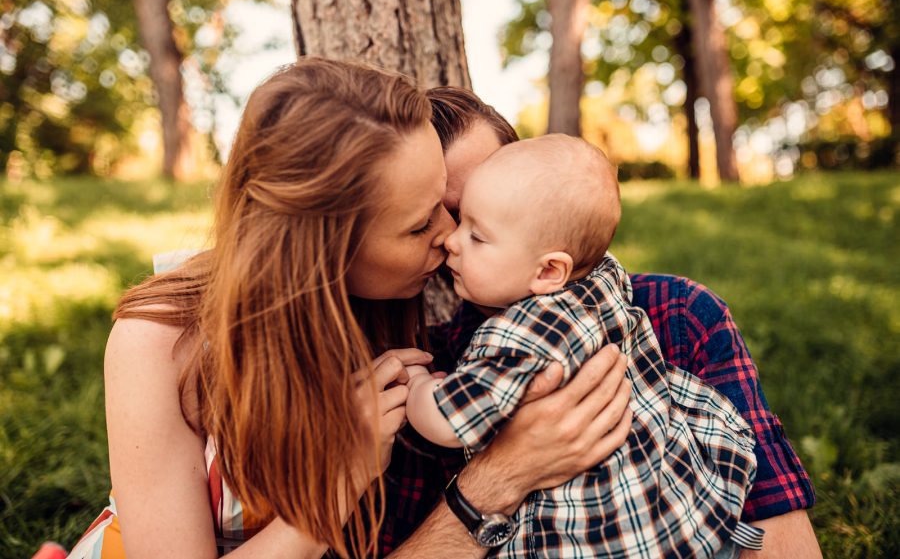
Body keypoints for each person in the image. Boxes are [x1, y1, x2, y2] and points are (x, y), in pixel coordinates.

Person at [64, 58, 635, 559]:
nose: (447, 237)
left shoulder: (395, 316)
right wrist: (344, 479)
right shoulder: (160, 342)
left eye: (444, 206)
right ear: (324, 252)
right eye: (420, 225)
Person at [377, 86, 820, 558]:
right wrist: (497, 476)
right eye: (441, 216)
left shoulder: (676, 315)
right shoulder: (414, 369)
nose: (451, 238)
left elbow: (781, 538)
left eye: (482, 212)